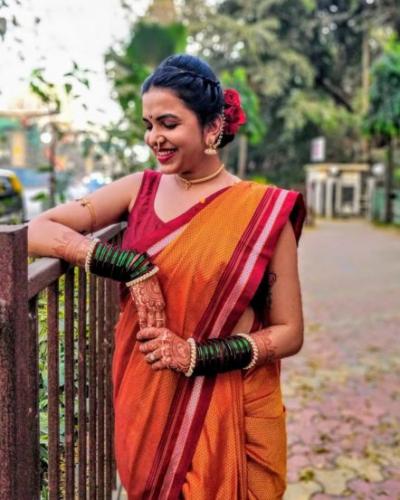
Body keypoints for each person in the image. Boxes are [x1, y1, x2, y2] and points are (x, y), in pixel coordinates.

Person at [28, 54, 306, 499]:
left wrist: (198, 355)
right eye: (149, 124)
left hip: (230, 402)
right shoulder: (139, 189)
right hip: (147, 395)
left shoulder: (263, 211)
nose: (154, 137)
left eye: (169, 124)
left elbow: (290, 332)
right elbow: (36, 230)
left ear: (212, 127)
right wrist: (129, 267)